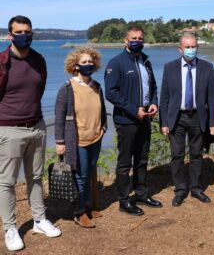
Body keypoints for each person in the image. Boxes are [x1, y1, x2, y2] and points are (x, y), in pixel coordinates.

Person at [0, 16, 61, 252]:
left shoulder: (39, 60)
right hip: (8, 129)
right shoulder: (3, 61)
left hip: (37, 126)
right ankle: (10, 228)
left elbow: (38, 89)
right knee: (7, 182)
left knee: (35, 177)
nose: (24, 35)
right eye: (19, 32)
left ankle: (39, 220)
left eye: (28, 31)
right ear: (10, 35)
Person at [105, 25, 162, 216]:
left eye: (140, 38)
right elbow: (111, 93)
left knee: (142, 158)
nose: (137, 41)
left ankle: (141, 192)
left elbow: (153, 86)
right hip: (126, 120)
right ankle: (123, 200)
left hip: (145, 117)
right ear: (125, 40)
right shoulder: (117, 63)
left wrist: (154, 103)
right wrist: (132, 109)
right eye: (133, 38)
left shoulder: (145, 61)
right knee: (124, 162)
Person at [160, 34, 214, 207]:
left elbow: (213, 98)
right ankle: (180, 189)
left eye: (194, 46)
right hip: (177, 117)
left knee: (196, 154)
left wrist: (213, 122)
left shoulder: (206, 67)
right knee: (177, 155)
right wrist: (164, 122)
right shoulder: (169, 67)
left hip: (197, 117)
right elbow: (164, 97)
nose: (191, 50)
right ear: (180, 49)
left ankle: (195, 187)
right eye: (187, 47)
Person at [55, 48, 107, 228]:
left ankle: (88, 206)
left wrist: (104, 127)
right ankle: (80, 213)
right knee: (81, 177)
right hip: (77, 141)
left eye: (90, 61)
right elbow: (59, 116)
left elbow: (102, 110)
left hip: (96, 138)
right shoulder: (67, 88)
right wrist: (60, 142)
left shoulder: (97, 86)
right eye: (84, 62)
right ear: (75, 66)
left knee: (90, 173)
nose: (88, 65)